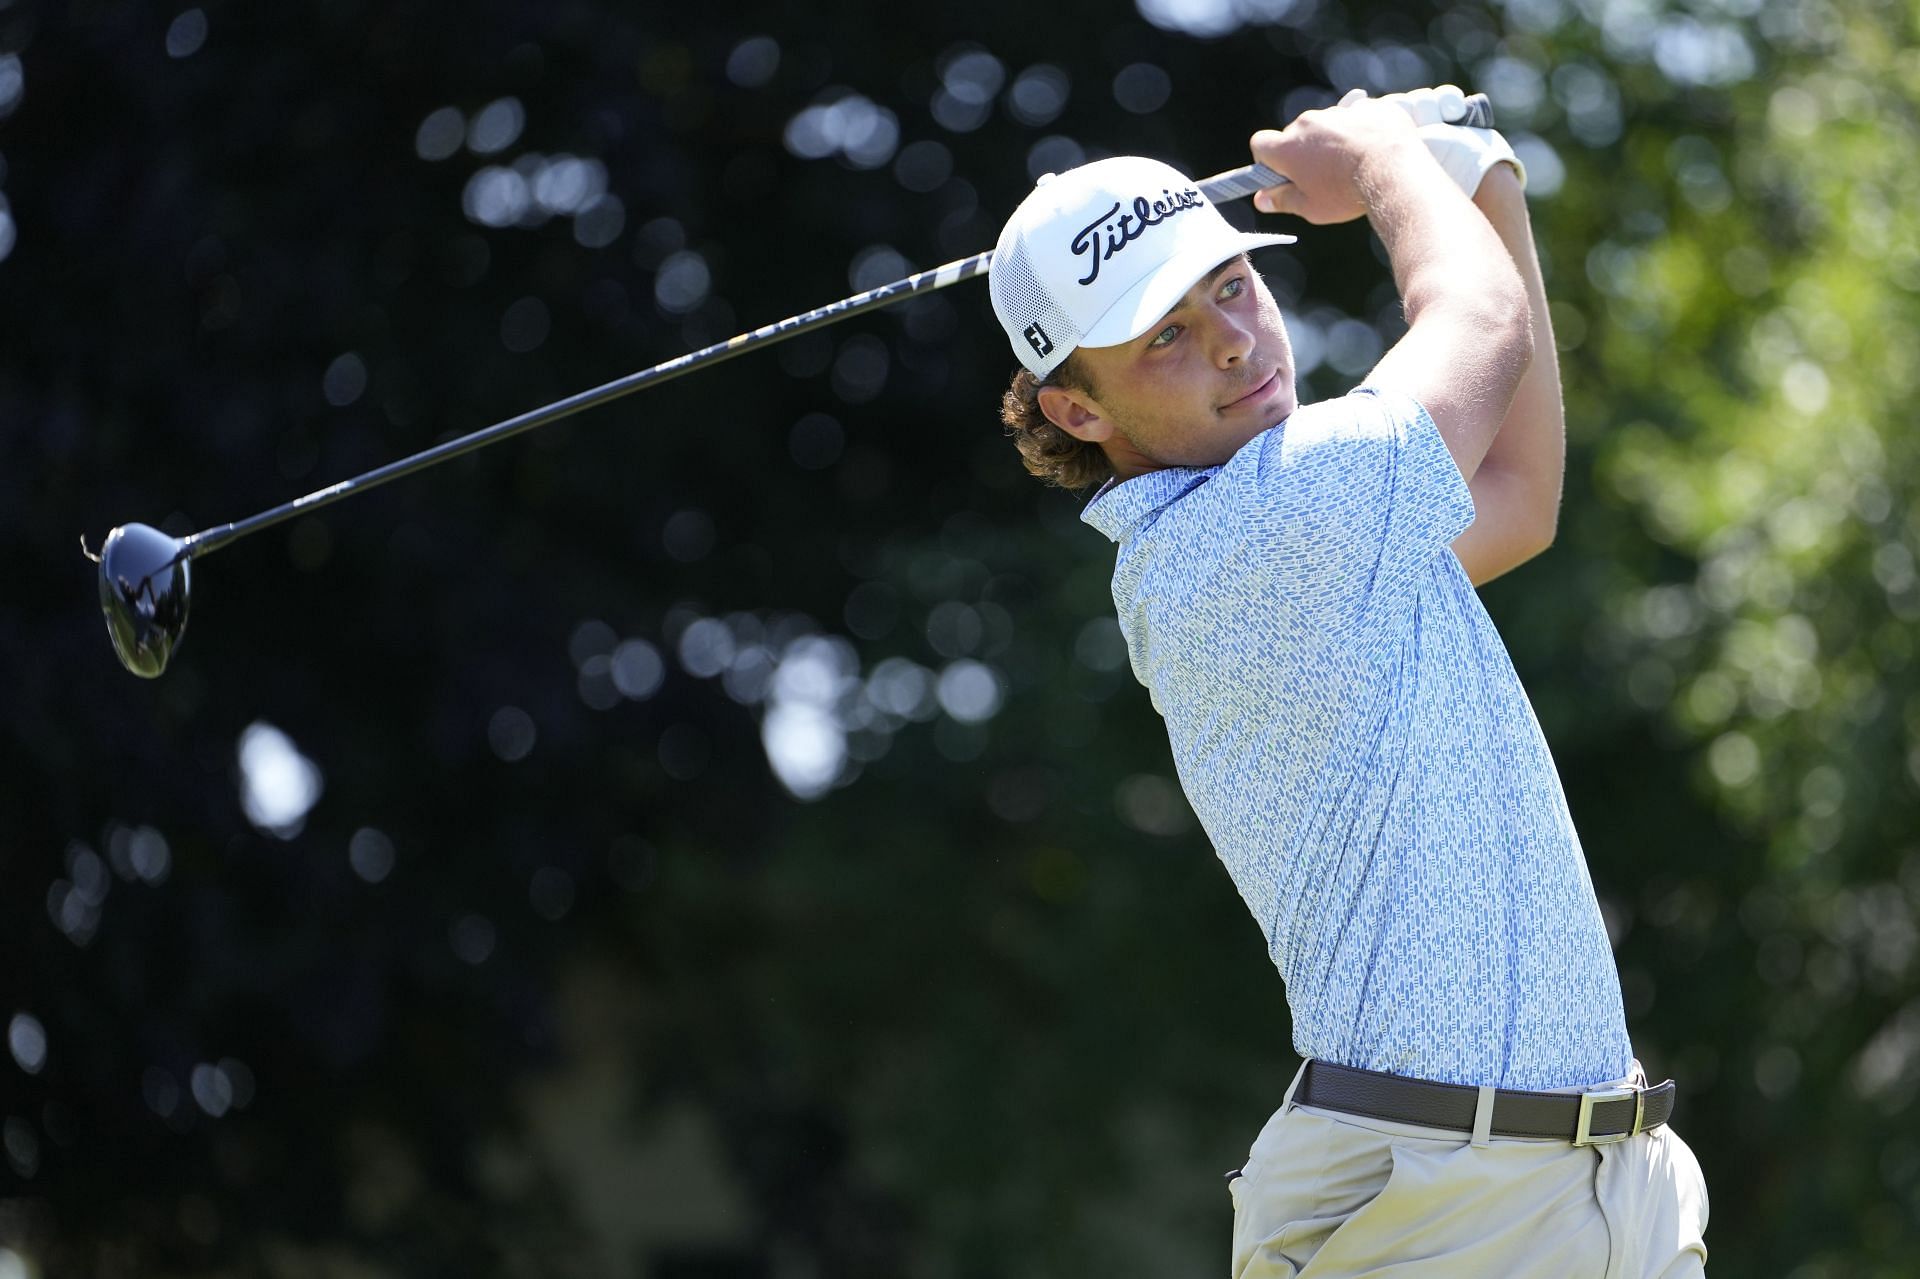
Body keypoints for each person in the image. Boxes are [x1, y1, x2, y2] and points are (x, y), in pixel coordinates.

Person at [988, 88, 1711, 1277]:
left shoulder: (1326, 522)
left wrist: (1475, 167)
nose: (1230, 338)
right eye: (1160, 333)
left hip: (1599, 1185)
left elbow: (1519, 496)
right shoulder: (1264, 529)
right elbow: (1479, 323)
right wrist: (1385, 159)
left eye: (1230, 285)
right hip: (1443, 1206)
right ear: (1077, 407)